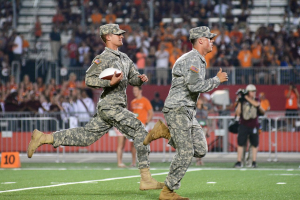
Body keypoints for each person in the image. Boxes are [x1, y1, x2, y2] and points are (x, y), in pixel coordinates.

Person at [27, 24, 164, 191]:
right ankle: (146, 179)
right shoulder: (102, 58)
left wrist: (139, 79)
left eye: (121, 34)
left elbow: (133, 77)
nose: (121, 36)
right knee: (141, 132)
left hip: (114, 107)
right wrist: (108, 82)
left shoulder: (125, 58)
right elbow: (89, 79)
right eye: (117, 34)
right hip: (110, 106)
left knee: (86, 137)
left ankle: (44, 138)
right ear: (108, 37)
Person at [143, 26, 228, 200]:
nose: (212, 41)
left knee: (201, 149)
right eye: (209, 38)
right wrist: (216, 80)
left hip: (188, 111)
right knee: (186, 151)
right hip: (178, 109)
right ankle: (168, 191)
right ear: (201, 40)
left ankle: (164, 132)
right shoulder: (193, 59)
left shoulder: (198, 59)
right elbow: (194, 86)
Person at [117, 86, 154, 168]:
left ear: (140, 91)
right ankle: (133, 162)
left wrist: (146, 122)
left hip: (142, 125)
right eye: (133, 90)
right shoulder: (133, 102)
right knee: (133, 145)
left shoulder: (145, 101)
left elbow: (151, 113)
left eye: (136, 90)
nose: (134, 92)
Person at [234, 84, 265, 168]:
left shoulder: (256, 99)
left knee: (254, 144)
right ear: (248, 92)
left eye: (254, 91)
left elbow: (257, 105)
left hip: (254, 125)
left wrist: (246, 98)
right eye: (252, 91)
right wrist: (240, 101)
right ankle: (239, 161)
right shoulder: (242, 100)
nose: (254, 93)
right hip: (243, 125)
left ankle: (253, 162)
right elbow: (238, 113)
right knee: (241, 144)